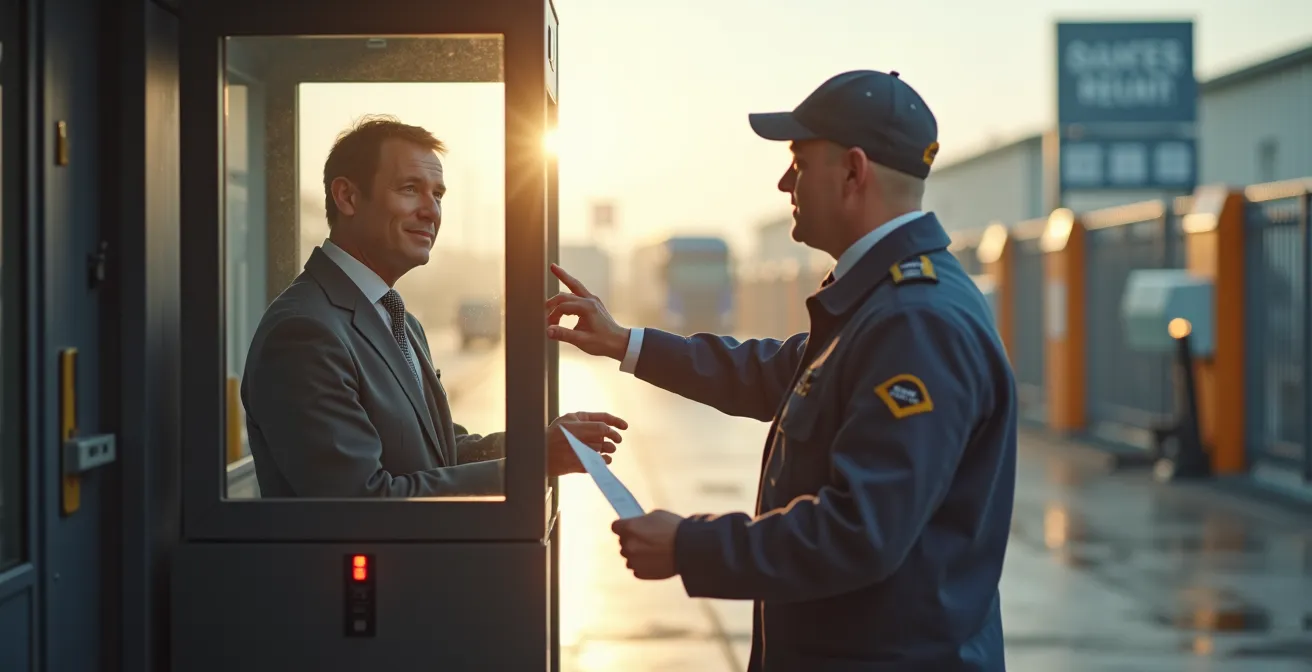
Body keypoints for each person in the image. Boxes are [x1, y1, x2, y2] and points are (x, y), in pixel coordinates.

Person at [547, 70, 1015, 670]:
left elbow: (861, 530)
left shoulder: (915, 320)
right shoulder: (879, 300)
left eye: (798, 160)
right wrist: (624, 342)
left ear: (852, 171)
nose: (783, 180)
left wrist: (691, 546)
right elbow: (774, 373)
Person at [242, 115, 627, 497]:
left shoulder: (399, 319)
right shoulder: (304, 332)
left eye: (438, 195)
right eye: (410, 189)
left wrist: (537, 446)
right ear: (347, 197)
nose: (431, 211)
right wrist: (534, 463)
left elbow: (440, 452)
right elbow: (362, 502)